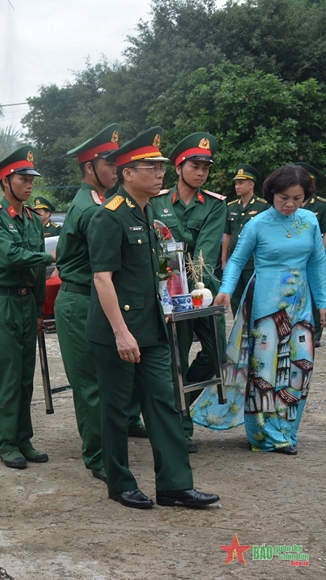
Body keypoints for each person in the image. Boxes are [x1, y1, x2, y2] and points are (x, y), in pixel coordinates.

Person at [88, 126, 219, 510]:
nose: (160, 173)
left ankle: (175, 485)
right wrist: (120, 333)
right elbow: (102, 278)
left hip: (152, 328)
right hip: (118, 331)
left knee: (164, 403)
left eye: (162, 166)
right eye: (151, 167)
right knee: (115, 408)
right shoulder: (110, 217)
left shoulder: (148, 214)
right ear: (128, 173)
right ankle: (120, 482)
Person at [203, 165, 326, 454]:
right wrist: (225, 290)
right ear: (271, 193)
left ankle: (286, 430)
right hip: (264, 305)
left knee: (299, 368)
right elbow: (235, 260)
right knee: (265, 370)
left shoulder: (309, 221)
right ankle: (264, 435)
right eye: (284, 197)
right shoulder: (257, 224)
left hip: (300, 306)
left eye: (298, 198)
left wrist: (322, 304)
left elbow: (317, 265)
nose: (290, 204)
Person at [0, 146, 54, 469]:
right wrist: (49, 256)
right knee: (7, 374)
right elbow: (9, 257)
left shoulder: (33, 221)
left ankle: (24, 438)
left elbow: (35, 274)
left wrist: (38, 309)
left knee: (25, 375)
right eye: (23, 179)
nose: (29, 185)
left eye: (31, 179)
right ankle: (7, 442)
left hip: (24, 302)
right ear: (5, 182)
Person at [150, 132, 226, 453]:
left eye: (206, 168)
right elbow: (158, 251)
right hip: (169, 291)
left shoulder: (214, 204)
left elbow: (204, 256)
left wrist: (198, 290)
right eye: (195, 166)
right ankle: (180, 426)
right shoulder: (156, 202)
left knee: (215, 354)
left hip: (203, 290)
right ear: (179, 167)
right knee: (175, 358)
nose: (201, 173)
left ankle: (179, 404)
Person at [55, 124, 121, 482]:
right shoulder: (91, 207)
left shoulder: (96, 202)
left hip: (89, 299)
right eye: (108, 163)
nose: (115, 168)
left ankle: (106, 450)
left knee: (101, 381)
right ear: (89, 168)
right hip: (80, 301)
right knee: (90, 386)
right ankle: (99, 458)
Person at [223, 164, 269, 315]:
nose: (237, 186)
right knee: (235, 297)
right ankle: (239, 329)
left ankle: (254, 328)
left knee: (254, 297)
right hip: (235, 260)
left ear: (251, 184)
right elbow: (227, 234)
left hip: (253, 261)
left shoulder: (263, 206)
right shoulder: (231, 207)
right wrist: (224, 260)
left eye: (241, 182)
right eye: (236, 183)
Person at [295, 162, 326, 347]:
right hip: (295, 257)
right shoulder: (290, 203)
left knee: (315, 294)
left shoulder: (321, 206)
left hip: (314, 256)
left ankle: (315, 333)